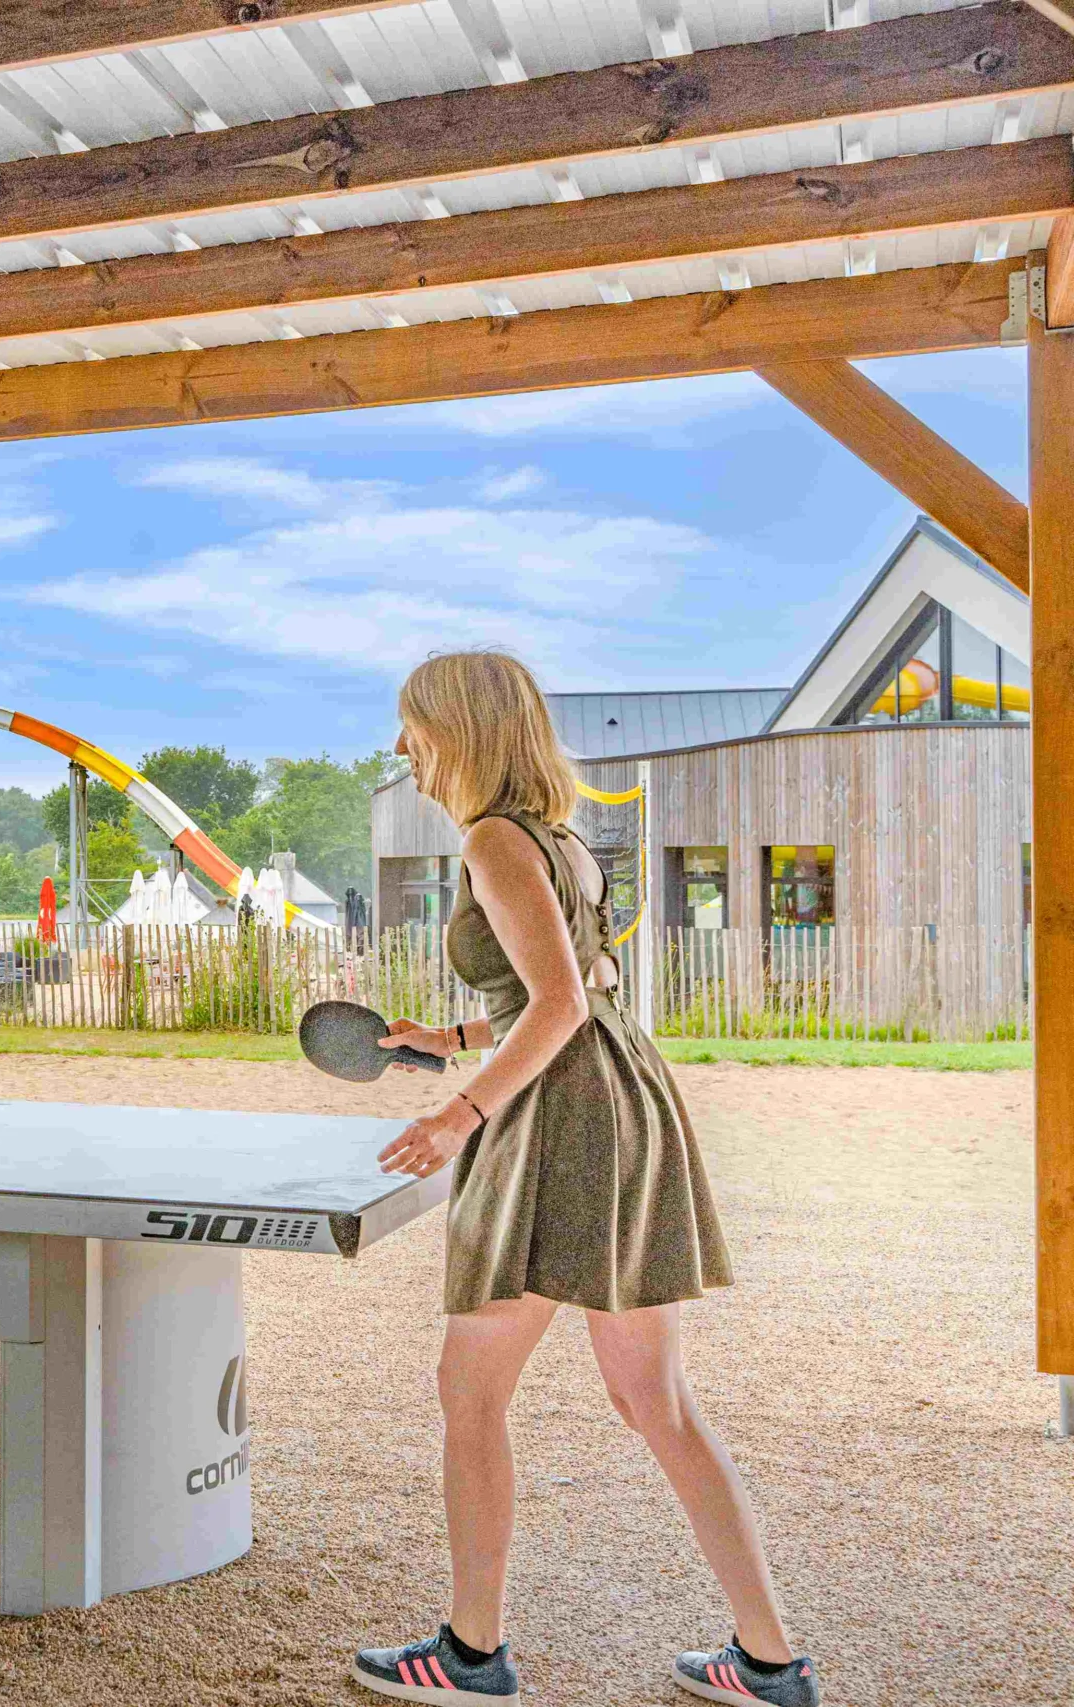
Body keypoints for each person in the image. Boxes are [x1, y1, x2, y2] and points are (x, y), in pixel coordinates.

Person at [351, 652, 817, 1707]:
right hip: (624, 1100)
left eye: (411, 725)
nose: (400, 748)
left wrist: (459, 1107)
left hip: (562, 1121)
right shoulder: (562, 843)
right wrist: (459, 1033)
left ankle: (470, 1655)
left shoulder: (490, 841)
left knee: (468, 1390)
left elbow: (558, 1005)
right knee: (655, 1399)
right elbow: (586, 985)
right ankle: (771, 1662)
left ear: (460, 729)